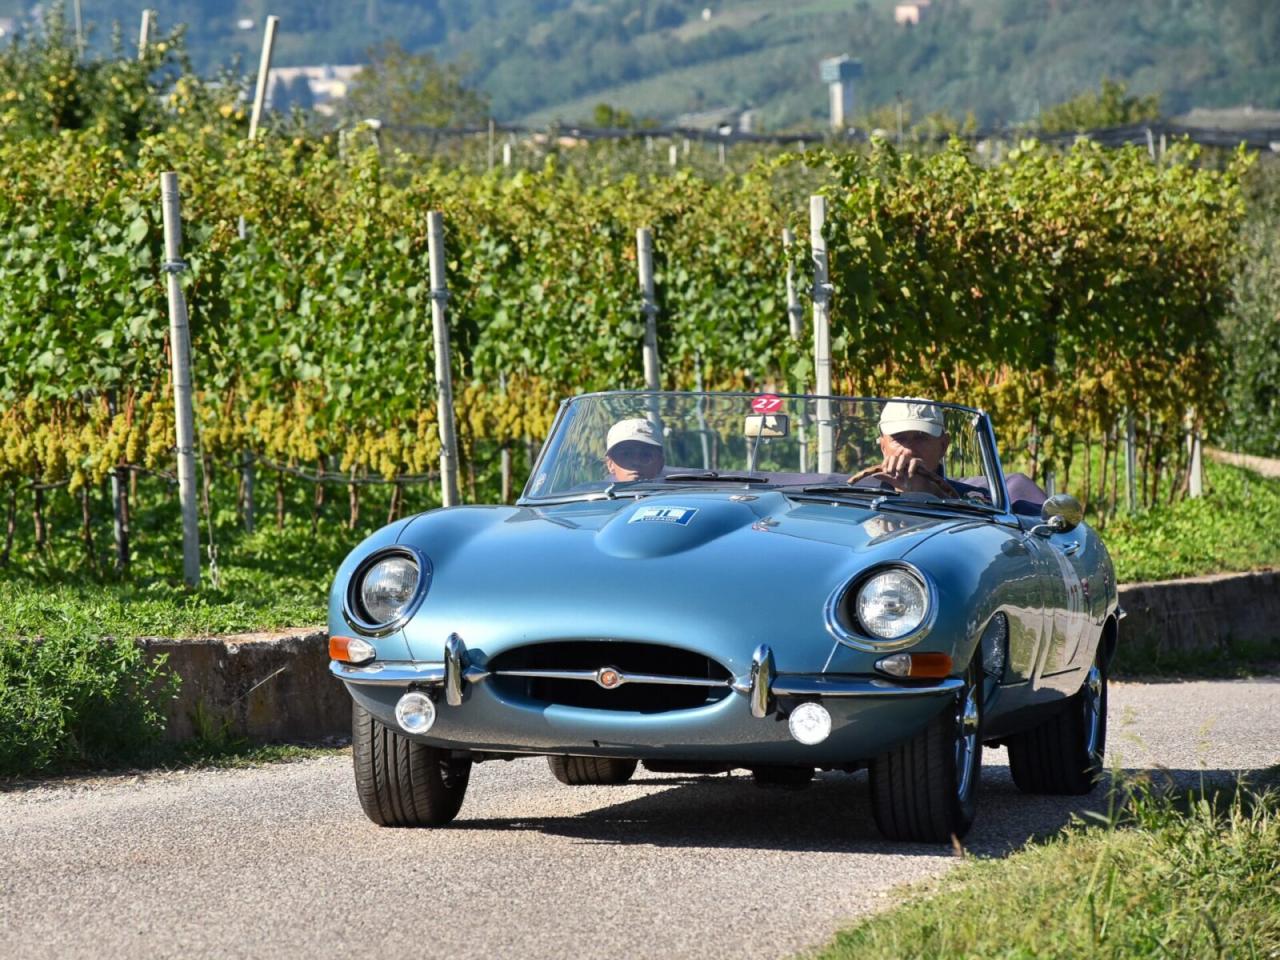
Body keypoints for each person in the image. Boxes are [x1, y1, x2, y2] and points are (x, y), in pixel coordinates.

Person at [848, 398, 970, 498]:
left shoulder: (974, 501)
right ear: (883, 447)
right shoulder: (854, 495)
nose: (909, 450)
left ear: (943, 445)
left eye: (921, 437)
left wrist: (932, 493)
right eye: (898, 439)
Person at [604, 418, 665, 482]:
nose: (636, 462)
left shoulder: (675, 489)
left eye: (645, 455)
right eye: (626, 455)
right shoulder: (596, 491)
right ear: (610, 464)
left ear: (660, 464)